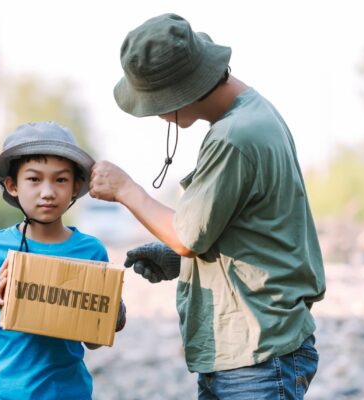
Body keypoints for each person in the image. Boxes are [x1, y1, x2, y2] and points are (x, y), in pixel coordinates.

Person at [88, 13, 326, 399]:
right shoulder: (253, 114)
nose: (155, 113)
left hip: (257, 358)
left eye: (155, 102)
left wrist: (125, 189)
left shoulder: (233, 136)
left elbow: (187, 237)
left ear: (184, 90)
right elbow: (245, 232)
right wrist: (178, 261)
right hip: (247, 352)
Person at [0, 121, 126, 400]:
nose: (47, 192)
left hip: (67, 394)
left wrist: (110, 316)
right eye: (34, 179)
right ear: (12, 185)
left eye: (60, 179)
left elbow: (94, 343)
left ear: (75, 186)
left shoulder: (91, 252)